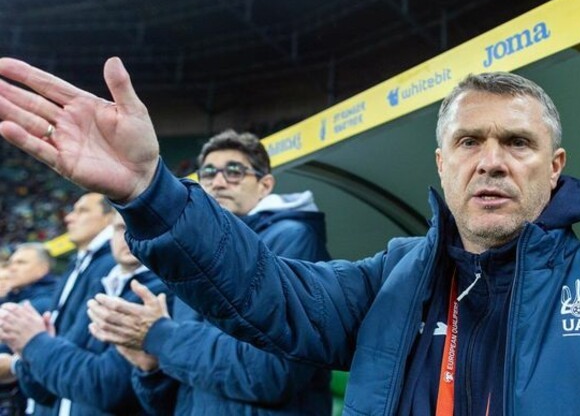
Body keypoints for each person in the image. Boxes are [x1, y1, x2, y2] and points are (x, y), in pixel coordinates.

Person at [0, 58, 580, 415]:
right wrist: (151, 191)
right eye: (468, 141)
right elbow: (267, 290)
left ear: (554, 166)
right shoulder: (393, 278)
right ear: (441, 164)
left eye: (516, 142)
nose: (490, 161)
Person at [87, 129, 333, 415]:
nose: (218, 182)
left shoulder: (291, 239)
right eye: (208, 173)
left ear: (265, 185)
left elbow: (271, 374)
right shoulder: (192, 252)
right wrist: (152, 369)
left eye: (234, 172)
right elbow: (175, 401)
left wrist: (163, 337)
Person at [0, 211, 170, 416]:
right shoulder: (101, 286)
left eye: (141, 223)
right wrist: (33, 355)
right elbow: (46, 388)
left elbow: (109, 388)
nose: (129, 234)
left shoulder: (159, 293)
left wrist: (34, 344)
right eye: (120, 228)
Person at [0, 244, 58, 415]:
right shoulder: (16, 299)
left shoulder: (41, 302)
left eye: (21, 262)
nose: (12, 268)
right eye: (11, 263)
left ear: (43, 268)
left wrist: (12, 364)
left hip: (29, 399)